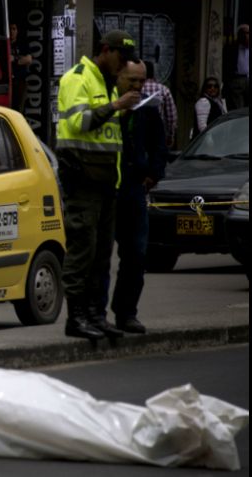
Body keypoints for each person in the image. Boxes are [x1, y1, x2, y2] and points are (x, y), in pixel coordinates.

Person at [54, 29, 141, 340]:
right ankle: (75, 318)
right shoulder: (78, 77)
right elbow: (79, 123)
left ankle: (95, 316)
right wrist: (115, 107)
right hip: (83, 180)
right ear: (105, 50)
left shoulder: (107, 83)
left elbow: (109, 138)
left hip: (106, 183)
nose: (124, 65)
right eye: (121, 57)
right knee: (81, 252)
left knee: (101, 256)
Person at [93, 60, 168, 335]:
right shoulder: (110, 105)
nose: (137, 87)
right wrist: (120, 110)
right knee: (101, 257)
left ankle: (127, 313)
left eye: (141, 81)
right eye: (132, 80)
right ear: (119, 77)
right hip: (108, 188)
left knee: (136, 254)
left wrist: (154, 173)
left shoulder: (148, 109)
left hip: (135, 188)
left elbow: (160, 144)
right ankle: (98, 314)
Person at [141, 61, 177, 148]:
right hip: (157, 133)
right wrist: (170, 136)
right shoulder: (164, 90)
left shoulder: (137, 89)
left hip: (139, 132)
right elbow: (171, 117)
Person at [223, 24, 249, 110]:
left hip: (248, 78)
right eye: (244, 33)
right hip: (236, 79)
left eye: (248, 33)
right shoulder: (231, 48)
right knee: (238, 107)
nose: (246, 36)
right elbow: (226, 65)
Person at [9, 22, 32, 112]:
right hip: (8, 82)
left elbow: (28, 59)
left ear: (17, 31)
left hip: (20, 81)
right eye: (10, 29)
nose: (11, 32)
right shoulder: (4, 44)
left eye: (14, 29)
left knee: (19, 108)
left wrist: (14, 59)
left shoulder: (22, 44)